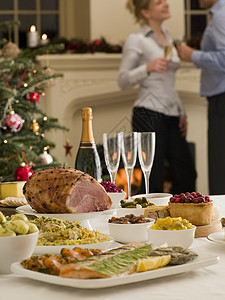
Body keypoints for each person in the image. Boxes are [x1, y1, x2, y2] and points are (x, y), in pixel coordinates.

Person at [117, 0, 196, 195]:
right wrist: (148, 67)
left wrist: (181, 111)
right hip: (148, 113)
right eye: (159, 2)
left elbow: (168, 82)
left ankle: (180, 216)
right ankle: (150, 221)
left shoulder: (168, 36)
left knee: (187, 174)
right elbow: (122, 80)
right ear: (145, 12)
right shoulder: (137, 39)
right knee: (152, 177)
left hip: (172, 114)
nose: (166, 4)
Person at [177, 0, 225, 195]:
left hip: (222, 100)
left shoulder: (221, 16)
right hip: (219, 98)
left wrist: (192, 55)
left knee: (220, 167)